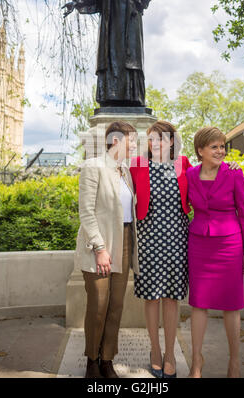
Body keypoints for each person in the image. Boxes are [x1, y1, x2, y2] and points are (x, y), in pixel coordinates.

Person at [186, 127, 244, 378]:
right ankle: (196, 361)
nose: (220, 151)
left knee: (231, 305)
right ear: (200, 150)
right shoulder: (190, 175)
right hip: (199, 245)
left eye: (222, 146)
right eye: (214, 147)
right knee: (198, 304)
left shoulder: (235, 174)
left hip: (229, 245)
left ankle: (234, 362)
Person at [75, 120, 139, 378]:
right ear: (116, 141)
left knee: (116, 305)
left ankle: (107, 360)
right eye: (132, 140)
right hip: (99, 244)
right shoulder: (93, 167)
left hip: (124, 241)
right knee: (98, 304)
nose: (135, 145)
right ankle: (92, 360)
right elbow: (86, 212)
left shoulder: (127, 171)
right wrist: (100, 247)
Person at [62, 0, 154, 107]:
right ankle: (110, 96)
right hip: (111, 25)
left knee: (131, 61)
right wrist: (75, 2)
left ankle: (133, 98)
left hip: (131, 23)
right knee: (111, 59)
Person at [130, 121, 192, 378]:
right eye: (152, 139)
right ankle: (155, 351)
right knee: (152, 297)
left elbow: (209, 173)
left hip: (178, 240)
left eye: (161, 139)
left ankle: (170, 353)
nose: (155, 143)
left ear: (172, 142)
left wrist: (231, 167)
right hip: (148, 241)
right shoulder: (138, 165)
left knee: (171, 297)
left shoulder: (183, 164)